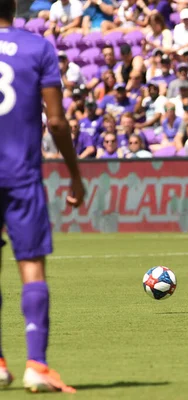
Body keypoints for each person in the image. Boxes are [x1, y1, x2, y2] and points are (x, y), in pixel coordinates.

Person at [0, 0, 84, 392]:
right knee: (31, 266)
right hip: (21, 175)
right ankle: (36, 364)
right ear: (15, 7)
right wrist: (74, 174)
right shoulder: (38, 48)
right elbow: (55, 120)